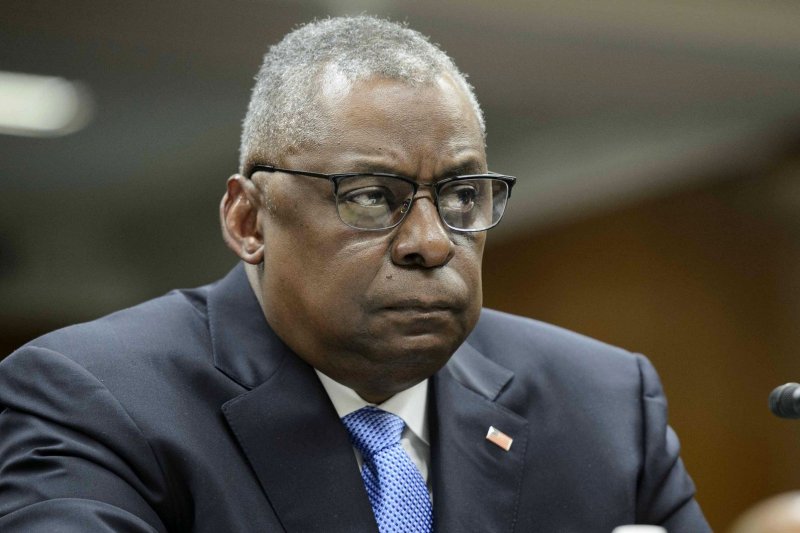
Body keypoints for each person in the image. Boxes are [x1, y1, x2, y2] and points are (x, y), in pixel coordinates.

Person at [0, 16, 710, 532]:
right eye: (371, 196)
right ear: (250, 221)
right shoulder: (94, 398)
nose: (431, 243)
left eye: (463, 196)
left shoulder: (604, 402)